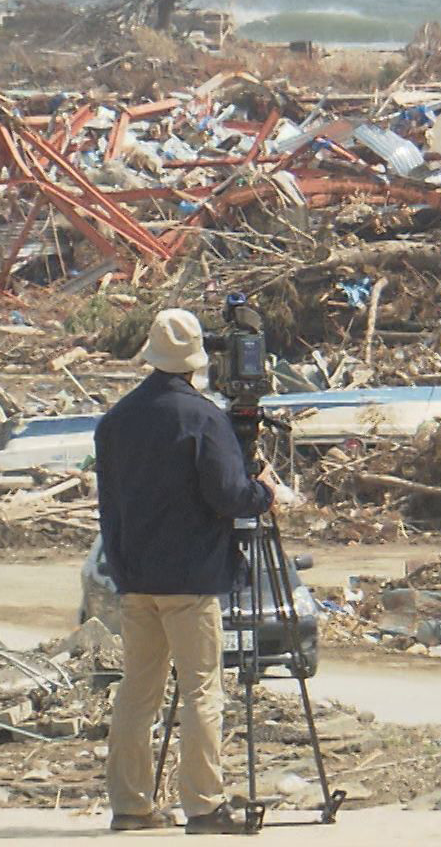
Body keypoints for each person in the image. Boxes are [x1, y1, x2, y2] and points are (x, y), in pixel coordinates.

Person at [95, 308, 283, 834]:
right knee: (202, 691)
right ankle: (204, 805)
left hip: (135, 577)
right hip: (190, 579)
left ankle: (131, 806)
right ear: (197, 361)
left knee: (138, 691)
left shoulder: (116, 420)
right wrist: (264, 492)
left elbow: (108, 502)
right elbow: (229, 496)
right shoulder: (202, 417)